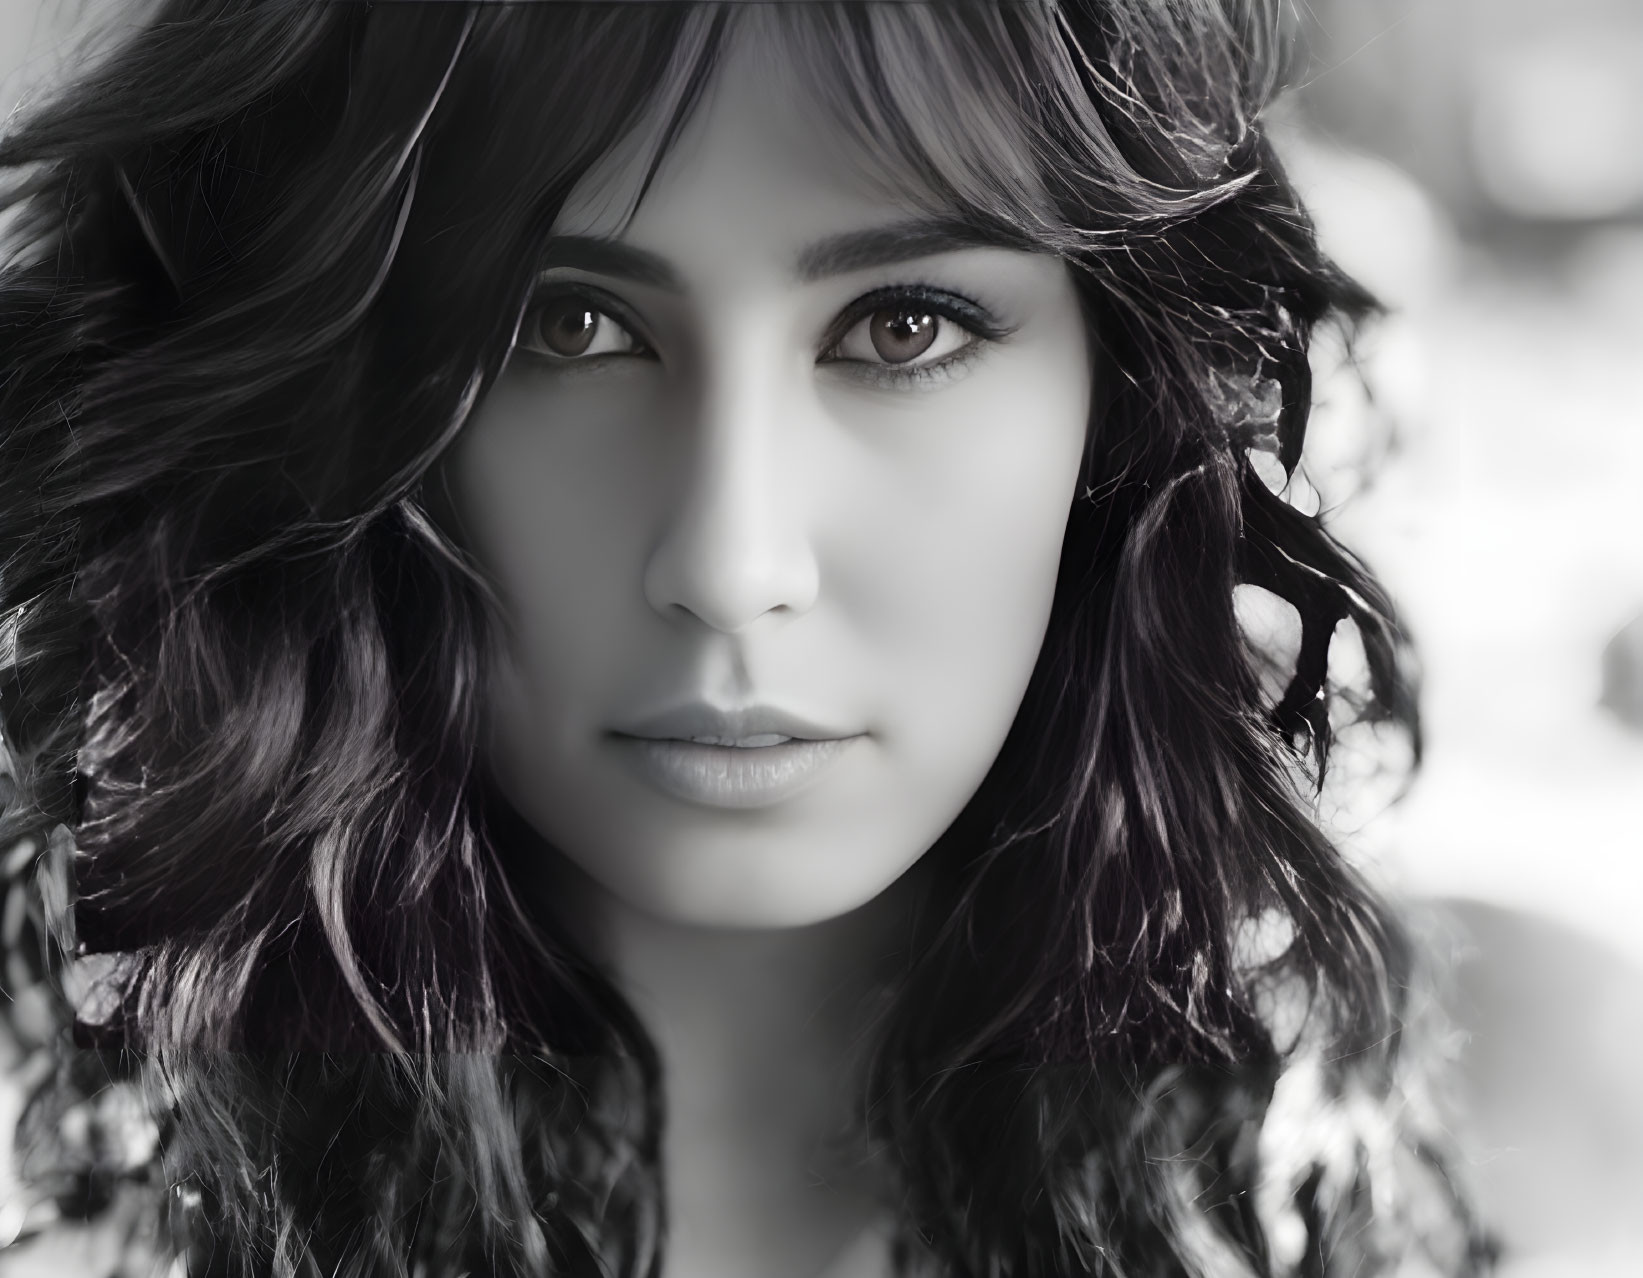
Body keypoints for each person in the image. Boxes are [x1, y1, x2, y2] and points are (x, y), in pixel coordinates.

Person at [0, 3, 1495, 1276]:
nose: (730, 563)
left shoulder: (1531, 1122)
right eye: (562, 325)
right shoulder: (55, 1170)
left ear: (1124, 393)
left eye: (903, 325)